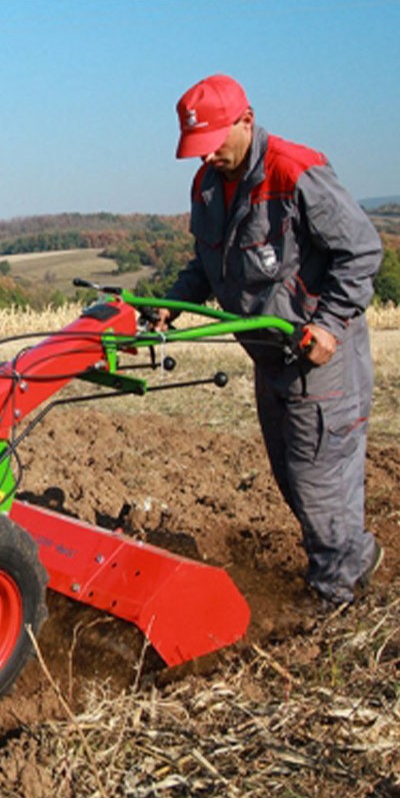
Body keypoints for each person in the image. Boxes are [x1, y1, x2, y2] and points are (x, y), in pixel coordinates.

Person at [154, 74, 383, 607]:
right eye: (197, 149)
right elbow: (208, 266)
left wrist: (329, 323)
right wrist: (172, 302)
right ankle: (352, 557)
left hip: (320, 357)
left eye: (213, 144)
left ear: (246, 121)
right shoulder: (208, 186)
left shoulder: (294, 171)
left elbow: (363, 251)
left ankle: (336, 597)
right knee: (291, 476)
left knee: (317, 479)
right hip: (269, 356)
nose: (206, 158)